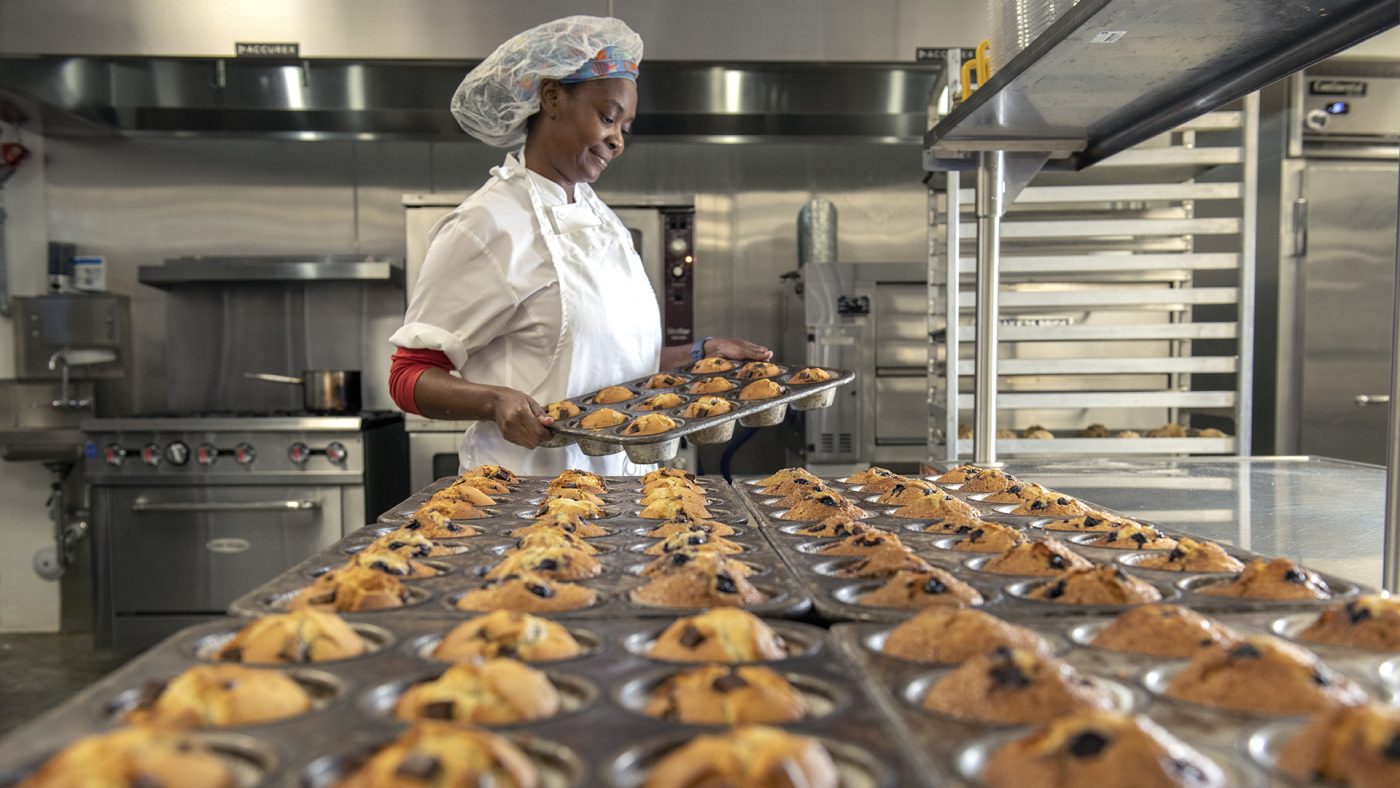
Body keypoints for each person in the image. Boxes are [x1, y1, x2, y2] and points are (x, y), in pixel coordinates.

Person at [388, 15, 770, 476]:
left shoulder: (601, 220)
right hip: (532, 502)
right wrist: (496, 401)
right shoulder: (487, 224)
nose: (617, 140)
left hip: (627, 498)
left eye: (625, 126)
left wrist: (698, 354)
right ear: (552, 98)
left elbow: (611, 362)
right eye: (608, 118)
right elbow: (409, 374)